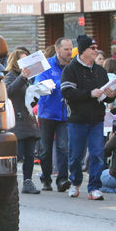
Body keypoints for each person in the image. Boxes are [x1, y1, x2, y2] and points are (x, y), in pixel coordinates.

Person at [60, 34, 115, 200]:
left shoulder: (100, 70)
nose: (96, 51)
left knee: (97, 154)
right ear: (83, 50)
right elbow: (67, 92)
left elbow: (106, 97)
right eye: (92, 48)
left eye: (96, 48)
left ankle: (94, 187)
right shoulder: (71, 69)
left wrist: (110, 95)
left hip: (97, 119)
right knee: (76, 155)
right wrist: (89, 93)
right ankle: (75, 182)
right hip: (77, 119)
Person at [34, 37, 73, 192]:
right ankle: (46, 179)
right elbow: (39, 84)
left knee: (63, 148)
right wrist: (62, 84)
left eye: (71, 49)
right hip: (47, 113)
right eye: (66, 49)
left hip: (65, 114)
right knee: (46, 149)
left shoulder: (72, 66)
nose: (69, 52)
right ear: (57, 49)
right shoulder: (46, 65)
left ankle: (62, 180)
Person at [4, 49, 42, 194]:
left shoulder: (28, 78)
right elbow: (8, 92)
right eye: (23, 60)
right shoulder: (10, 76)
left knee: (30, 154)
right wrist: (22, 78)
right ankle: (10, 183)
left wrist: (38, 92)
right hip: (18, 121)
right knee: (18, 154)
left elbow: (29, 100)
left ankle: (27, 181)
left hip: (28, 120)